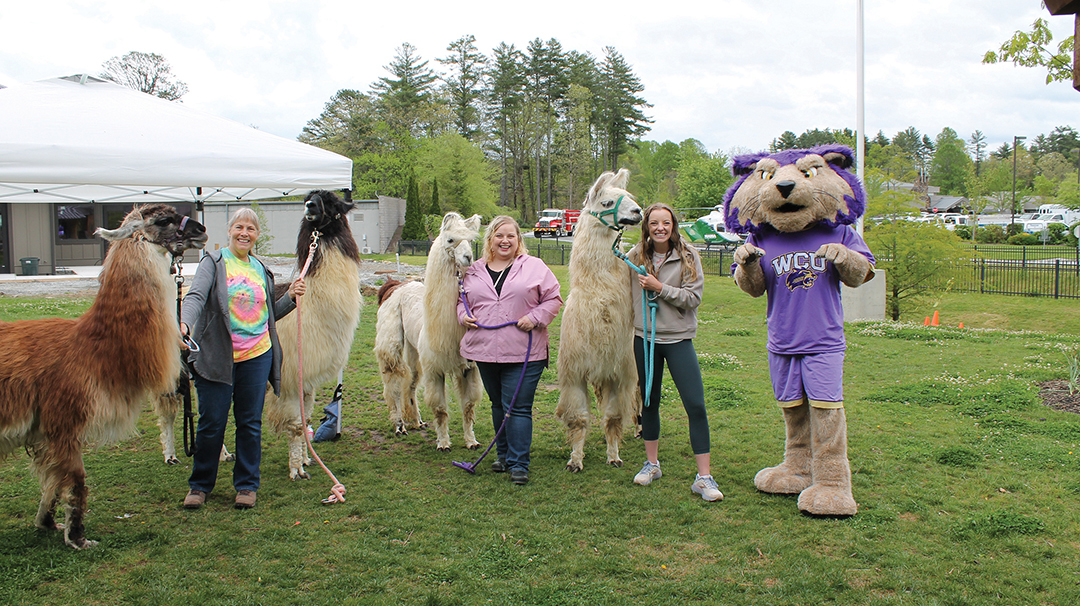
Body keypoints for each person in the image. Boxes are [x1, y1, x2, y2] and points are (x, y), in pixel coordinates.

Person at [180, 208, 305, 510]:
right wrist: (184, 323)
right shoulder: (214, 263)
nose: (244, 233)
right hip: (217, 356)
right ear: (229, 231)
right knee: (212, 423)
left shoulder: (261, 268)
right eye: (239, 227)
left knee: (249, 423)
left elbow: (268, 314)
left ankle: (247, 485)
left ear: (257, 235)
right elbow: (196, 296)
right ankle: (200, 485)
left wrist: (290, 297)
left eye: (250, 228)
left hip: (257, 356)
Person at [628, 203, 723, 501]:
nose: (660, 228)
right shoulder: (635, 255)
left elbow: (693, 298)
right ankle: (652, 464)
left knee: (695, 404)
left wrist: (659, 288)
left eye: (666, 223)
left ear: (673, 225)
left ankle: (704, 478)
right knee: (649, 402)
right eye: (654, 223)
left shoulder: (688, 255)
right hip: (645, 339)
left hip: (678, 339)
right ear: (646, 226)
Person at [458, 216, 562, 485]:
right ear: (490, 239)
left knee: (517, 407)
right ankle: (503, 456)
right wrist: (463, 315)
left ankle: (519, 463)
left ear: (518, 240)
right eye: (499, 236)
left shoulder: (534, 267)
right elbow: (462, 299)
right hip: (485, 350)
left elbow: (553, 299)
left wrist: (535, 317)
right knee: (498, 404)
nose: (505, 241)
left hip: (524, 350)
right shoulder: (474, 270)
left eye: (510, 236)